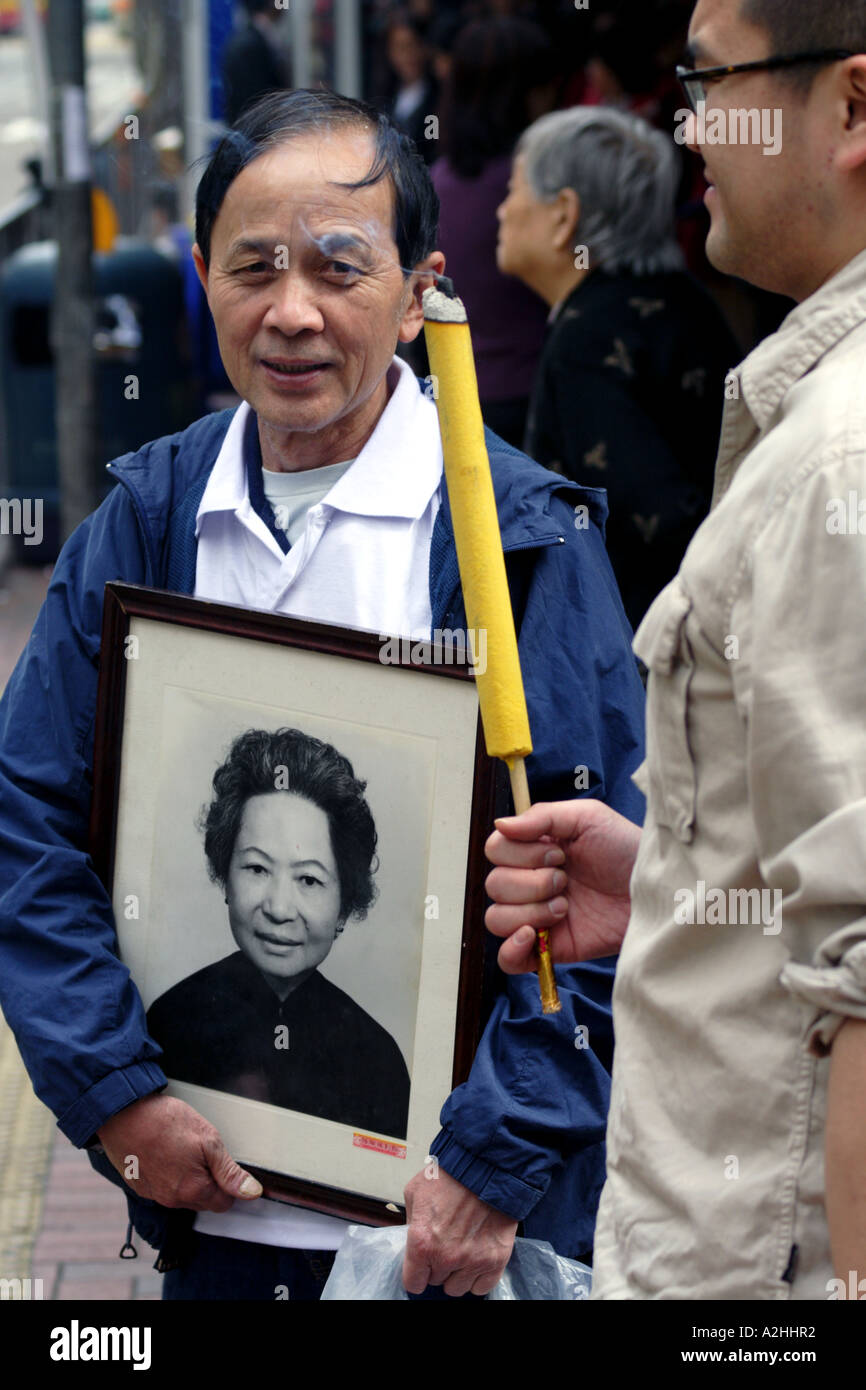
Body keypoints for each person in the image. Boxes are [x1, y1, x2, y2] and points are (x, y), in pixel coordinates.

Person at [0, 89, 645, 1300]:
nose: (290, 312)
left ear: (417, 293)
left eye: (338, 269)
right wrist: (118, 1095)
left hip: (449, 1245)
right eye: (253, 268)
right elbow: (24, 815)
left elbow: (599, 890)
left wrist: (491, 1167)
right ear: (200, 276)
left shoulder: (517, 543)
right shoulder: (147, 519)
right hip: (214, 1226)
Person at [485, 0, 866, 1300]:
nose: (683, 124)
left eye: (705, 81)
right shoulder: (803, 398)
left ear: (850, 109)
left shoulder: (837, 454)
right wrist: (676, 881)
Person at [498, 104, 739, 628]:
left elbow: (651, 523)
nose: (502, 210)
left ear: (564, 215)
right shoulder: (685, 301)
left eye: (514, 189)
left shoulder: (588, 337)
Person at [146, 728, 410, 1139]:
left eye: (308, 880)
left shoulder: (378, 1058)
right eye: (257, 869)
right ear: (224, 877)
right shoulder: (169, 1023)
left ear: (345, 902)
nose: (279, 909)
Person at [430, 16, 557, 449]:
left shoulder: (432, 185)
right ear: (526, 95)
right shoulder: (540, 189)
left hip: (455, 400)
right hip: (535, 401)